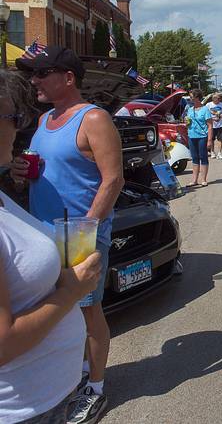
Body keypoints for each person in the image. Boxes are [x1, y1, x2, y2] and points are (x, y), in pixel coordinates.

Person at [10, 47, 123, 423]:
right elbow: (49, 173)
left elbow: (113, 180)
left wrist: (85, 232)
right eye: (33, 74)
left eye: (42, 73)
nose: (34, 80)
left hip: (79, 238)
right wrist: (21, 173)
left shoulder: (93, 118)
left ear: (68, 78)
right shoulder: (44, 122)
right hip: (43, 235)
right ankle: (68, 381)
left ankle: (95, 388)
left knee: (88, 311)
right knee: (56, 311)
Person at [184, 89, 214, 186]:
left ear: (197, 97)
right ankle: (194, 180)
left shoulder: (205, 109)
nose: (190, 98)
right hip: (191, 136)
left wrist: (209, 140)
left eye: (191, 97)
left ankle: (203, 179)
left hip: (202, 136)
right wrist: (186, 123)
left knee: (203, 157)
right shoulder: (189, 109)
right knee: (194, 158)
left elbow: (210, 126)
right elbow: (188, 123)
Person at [206, 93, 222, 160]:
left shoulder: (221, 104)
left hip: (220, 124)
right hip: (211, 125)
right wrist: (213, 118)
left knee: (220, 139)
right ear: (213, 99)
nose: (219, 99)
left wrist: (221, 115)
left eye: (219, 98)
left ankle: (219, 153)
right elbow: (206, 114)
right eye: (218, 98)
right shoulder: (208, 105)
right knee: (212, 139)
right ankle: (212, 152)